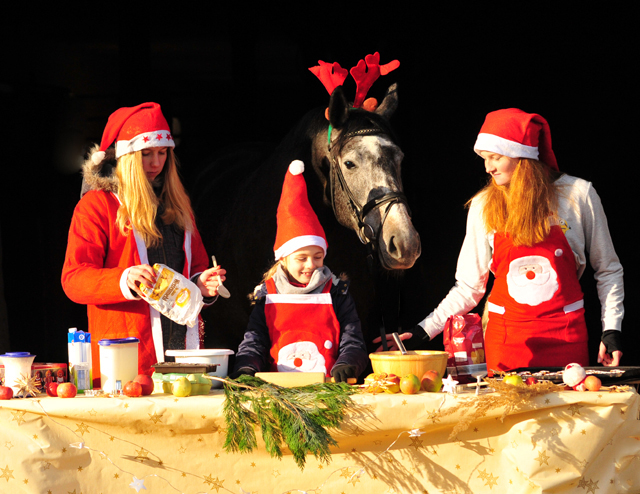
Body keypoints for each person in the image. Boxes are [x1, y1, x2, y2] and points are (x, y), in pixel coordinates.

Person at [377, 108, 624, 372]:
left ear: (523, 156)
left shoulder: (577, 195)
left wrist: (611, 330)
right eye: (484, 158)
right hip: (506, 344)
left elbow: (608, 270)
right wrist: (423, 331)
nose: (488, 167)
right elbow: (469, 288)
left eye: (496, 157)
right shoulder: (484, 205)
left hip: (565, 338)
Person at [62, 102, 226, 385]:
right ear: (125, 157)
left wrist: (202, 283)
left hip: (182, 357)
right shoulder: (97, 206)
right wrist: (125, 279)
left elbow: (194, 268)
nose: (156, 163)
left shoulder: (178, 204)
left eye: (163, 153)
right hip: (126, 363)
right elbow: (73, 280)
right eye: (146, 154)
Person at [232, 160, 367, 382]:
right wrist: (247, 366)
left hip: (329, 389)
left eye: (318, 257)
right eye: (301, 258)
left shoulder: (336, 292)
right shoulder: (267, 295)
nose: (311, 265)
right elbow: (254, 341)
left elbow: (353, 341)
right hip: (280, 391)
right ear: (283, 259)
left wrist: (347, 363)